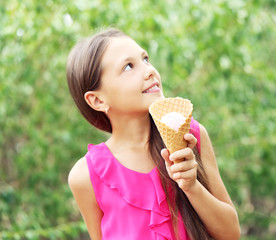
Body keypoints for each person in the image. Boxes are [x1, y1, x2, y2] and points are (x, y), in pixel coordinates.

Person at [66, 28, 241, 240]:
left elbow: (231, 233)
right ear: (98, 100)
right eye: (128, 66)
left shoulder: (190, 136)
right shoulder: (85, 176)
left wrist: (191, 186)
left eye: (145, 59)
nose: (149, 71)